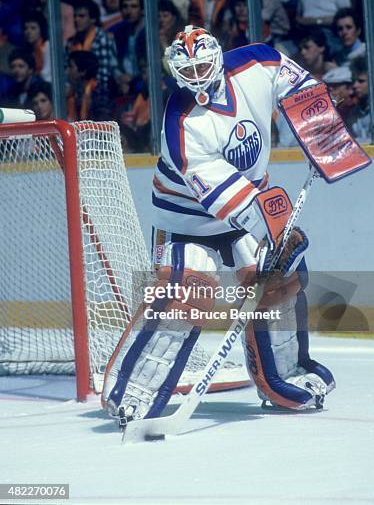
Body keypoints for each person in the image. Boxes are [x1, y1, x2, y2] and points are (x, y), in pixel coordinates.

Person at [101, 25, 335, 425]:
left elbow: (298, 85)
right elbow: (225, 199)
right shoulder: (180, 123)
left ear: (218, 56)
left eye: (203, 65)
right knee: (188, 293)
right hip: (186, 220)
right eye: (187, 71)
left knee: (281, 280)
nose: (197, 76)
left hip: (249, 201)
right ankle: (133, 392)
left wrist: (322, 124)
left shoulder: (257, 62)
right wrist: (272, 234)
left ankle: (285, 378)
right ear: (174, 72)